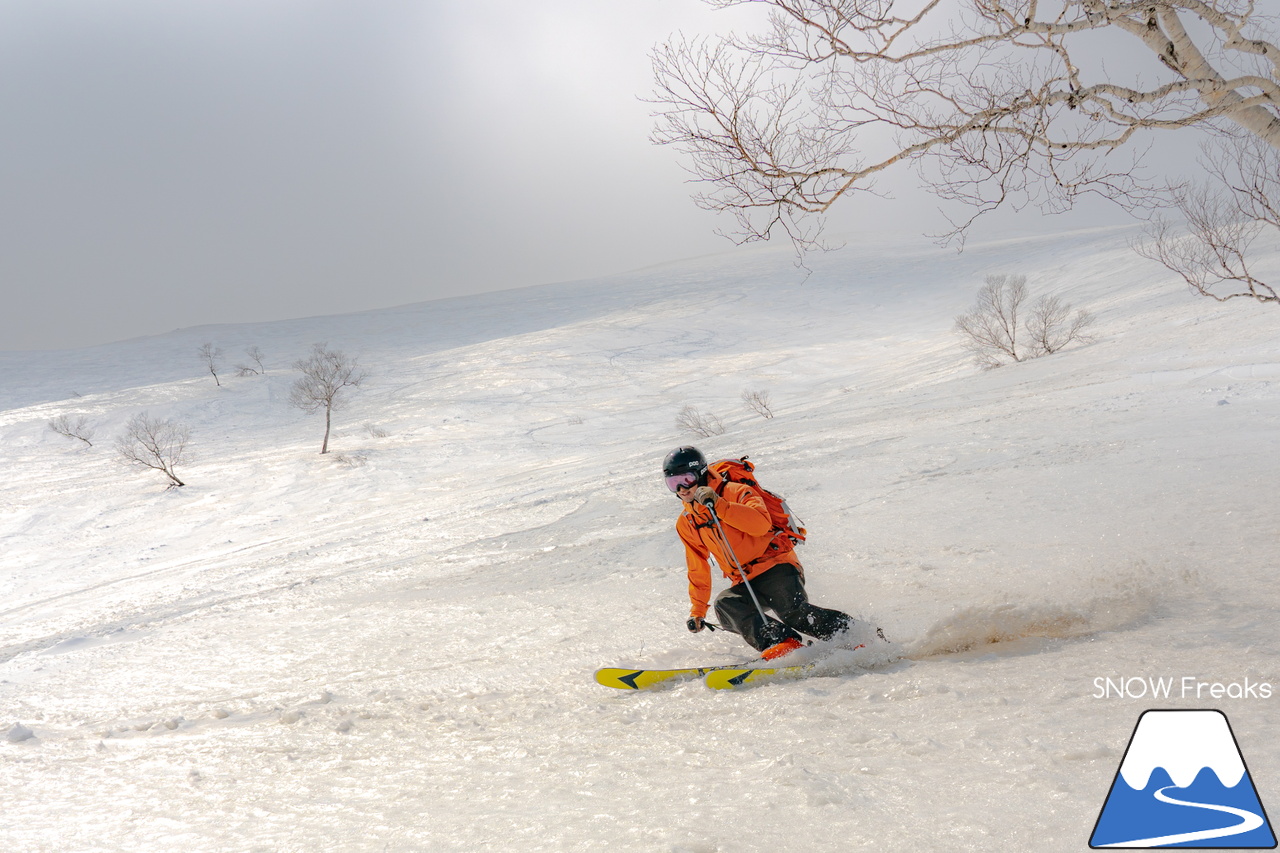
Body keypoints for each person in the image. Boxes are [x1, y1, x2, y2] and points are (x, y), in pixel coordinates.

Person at [662, 445, 856, 661]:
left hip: (776, 566)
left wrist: (720, 505)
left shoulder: (736, 491)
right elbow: (697, 566)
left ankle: (851, 633)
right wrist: (698, 610)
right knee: (727, 605)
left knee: (792, 613)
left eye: (686, 479)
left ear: (701, 474)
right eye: (673, 483)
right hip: (744, 579)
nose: (681, 488)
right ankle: (783, 643)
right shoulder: (687, 522)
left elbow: (760, 524)